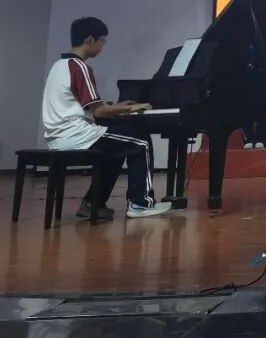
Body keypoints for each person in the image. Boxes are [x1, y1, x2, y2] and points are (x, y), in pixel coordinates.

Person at [41, 17, 172, 220]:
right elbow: (99, 112)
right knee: (141, 141)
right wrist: (132, 108)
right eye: (103, 40)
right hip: (76, 136)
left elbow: (88, 106)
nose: (103, 46)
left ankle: (92, 204)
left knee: (118, 149)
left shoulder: (60, 65)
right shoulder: (80, 67)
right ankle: (141, 204)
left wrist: (118, 106)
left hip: (59, 137)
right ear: (90, 39)